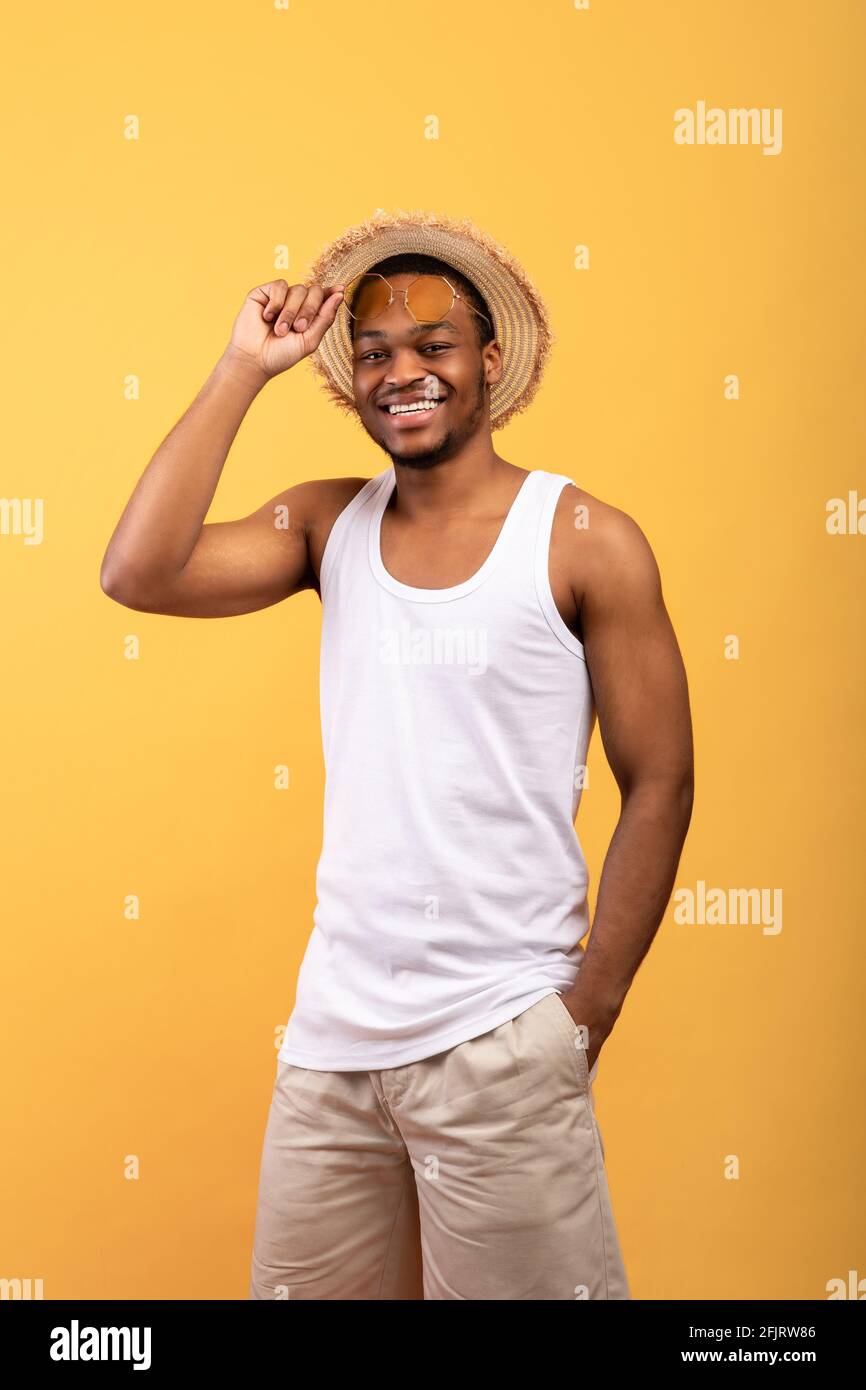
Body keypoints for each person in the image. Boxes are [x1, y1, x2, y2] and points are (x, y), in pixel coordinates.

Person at [100, 209, 694, 1300]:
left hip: (502, 1039)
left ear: (489, 360)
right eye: (372, 351)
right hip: (330, 1049)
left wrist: (585, 1009)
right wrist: (243, 366)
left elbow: (658, 779)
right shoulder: (328, 526)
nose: (401, 370)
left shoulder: (582, 540)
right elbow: (138, 571)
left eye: (433, 343)